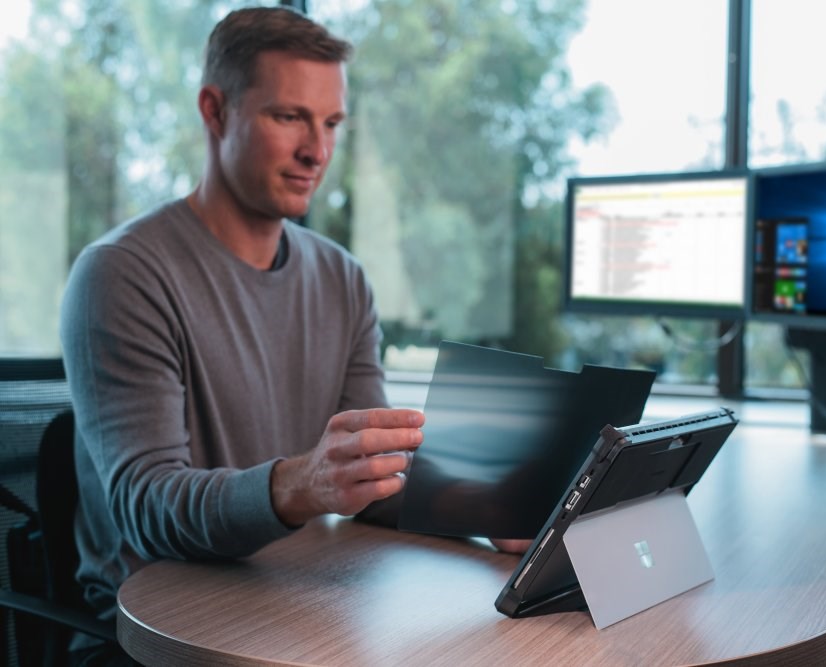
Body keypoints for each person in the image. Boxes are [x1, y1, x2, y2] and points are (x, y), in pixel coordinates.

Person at [60, 6, 526, 665]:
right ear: (215, 111)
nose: (318, 150)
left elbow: (370, 481)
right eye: (289, 117)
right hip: (156, 632)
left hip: (295, 601)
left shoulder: (342, 277)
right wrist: (296, 485)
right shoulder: (122, 273)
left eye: (331, 122)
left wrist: (486, 509)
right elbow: (146, 506)